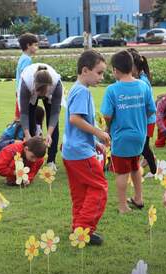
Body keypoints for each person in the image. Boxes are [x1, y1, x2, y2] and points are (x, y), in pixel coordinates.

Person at [62, 50, 110, 245]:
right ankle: (84, 231)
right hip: (80, 152)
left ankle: (78, 229)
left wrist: (96, 142)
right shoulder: (82, 91)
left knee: (80, 192)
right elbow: (75, 119)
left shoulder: (75, 88)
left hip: (71, 151)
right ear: (85, 70)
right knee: (99, 188)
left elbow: (79, 121)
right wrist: (99, 133)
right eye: (99, 73)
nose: (101, 77)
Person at [101, 50, 156, 214]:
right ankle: (138, 198)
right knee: (135, 167)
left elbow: (107, 115)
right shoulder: (143, 86)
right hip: (140, 136)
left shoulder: (112, 90)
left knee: (122, 172)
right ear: (132, 67)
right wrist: (138, 118)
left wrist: (108, 128)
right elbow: (150, 110)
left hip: (121, 137)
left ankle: (123, 206)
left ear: (115, 70)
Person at [18, 63, 63, 171]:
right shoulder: (26, 84)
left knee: (53, 126)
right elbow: (24, 114)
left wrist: (49, 134)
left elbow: (54, 113)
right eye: (39, 93)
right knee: (30, 123)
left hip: (51, 91)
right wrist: (27, 135)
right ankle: (32, 158)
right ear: (34, 86)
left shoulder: (56, 85)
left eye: (44, 93)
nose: (41, 96)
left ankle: (51, 160)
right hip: (29, 90)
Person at [127, 48, 157, 174]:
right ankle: (149, 163)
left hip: (147, 120)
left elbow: (148, 106)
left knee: (143, 146)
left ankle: (154, 169)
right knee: (142, 145)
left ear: (136, 67)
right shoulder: (138, 79)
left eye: (130, 66)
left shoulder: (142, 82)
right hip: (142, 119)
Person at [14, 33, 38, 120]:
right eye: (35, 45)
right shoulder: (27, 59)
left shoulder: (23, 57)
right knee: (20, 117)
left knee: (19, 115)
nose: (37, 47)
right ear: (28, 45)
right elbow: (25, 75)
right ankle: (15, 133)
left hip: (20, 90)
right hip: (23, 92)